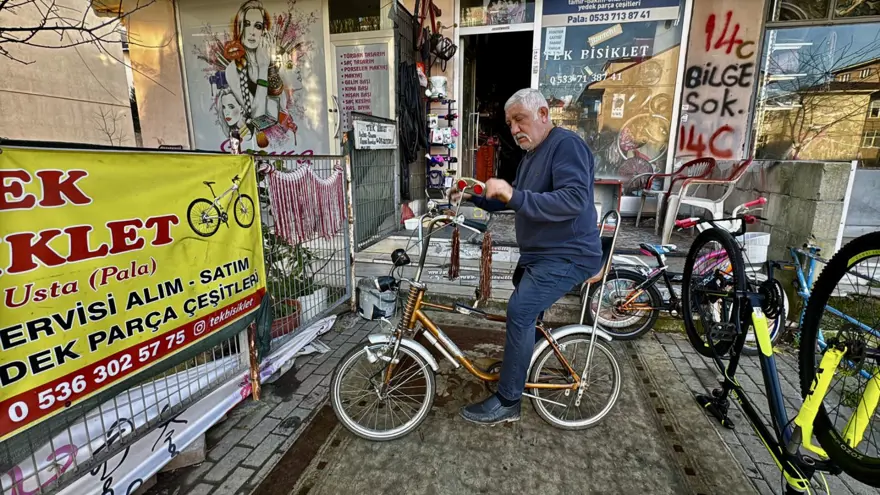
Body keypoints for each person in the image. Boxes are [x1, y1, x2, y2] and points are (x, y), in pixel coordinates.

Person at [448, 88, 602, 425]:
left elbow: (573, 199)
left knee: (519, 310)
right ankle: (521, 364)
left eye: (520, 119)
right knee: (525, 310)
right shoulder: (532, 155)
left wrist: (513, 193)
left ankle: (508, 401)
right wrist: (473, 195)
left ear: (544, 115)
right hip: (540, 256)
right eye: (510, 123)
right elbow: (510, 200)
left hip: (569, 255)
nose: (515, 128)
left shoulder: (565, 145)